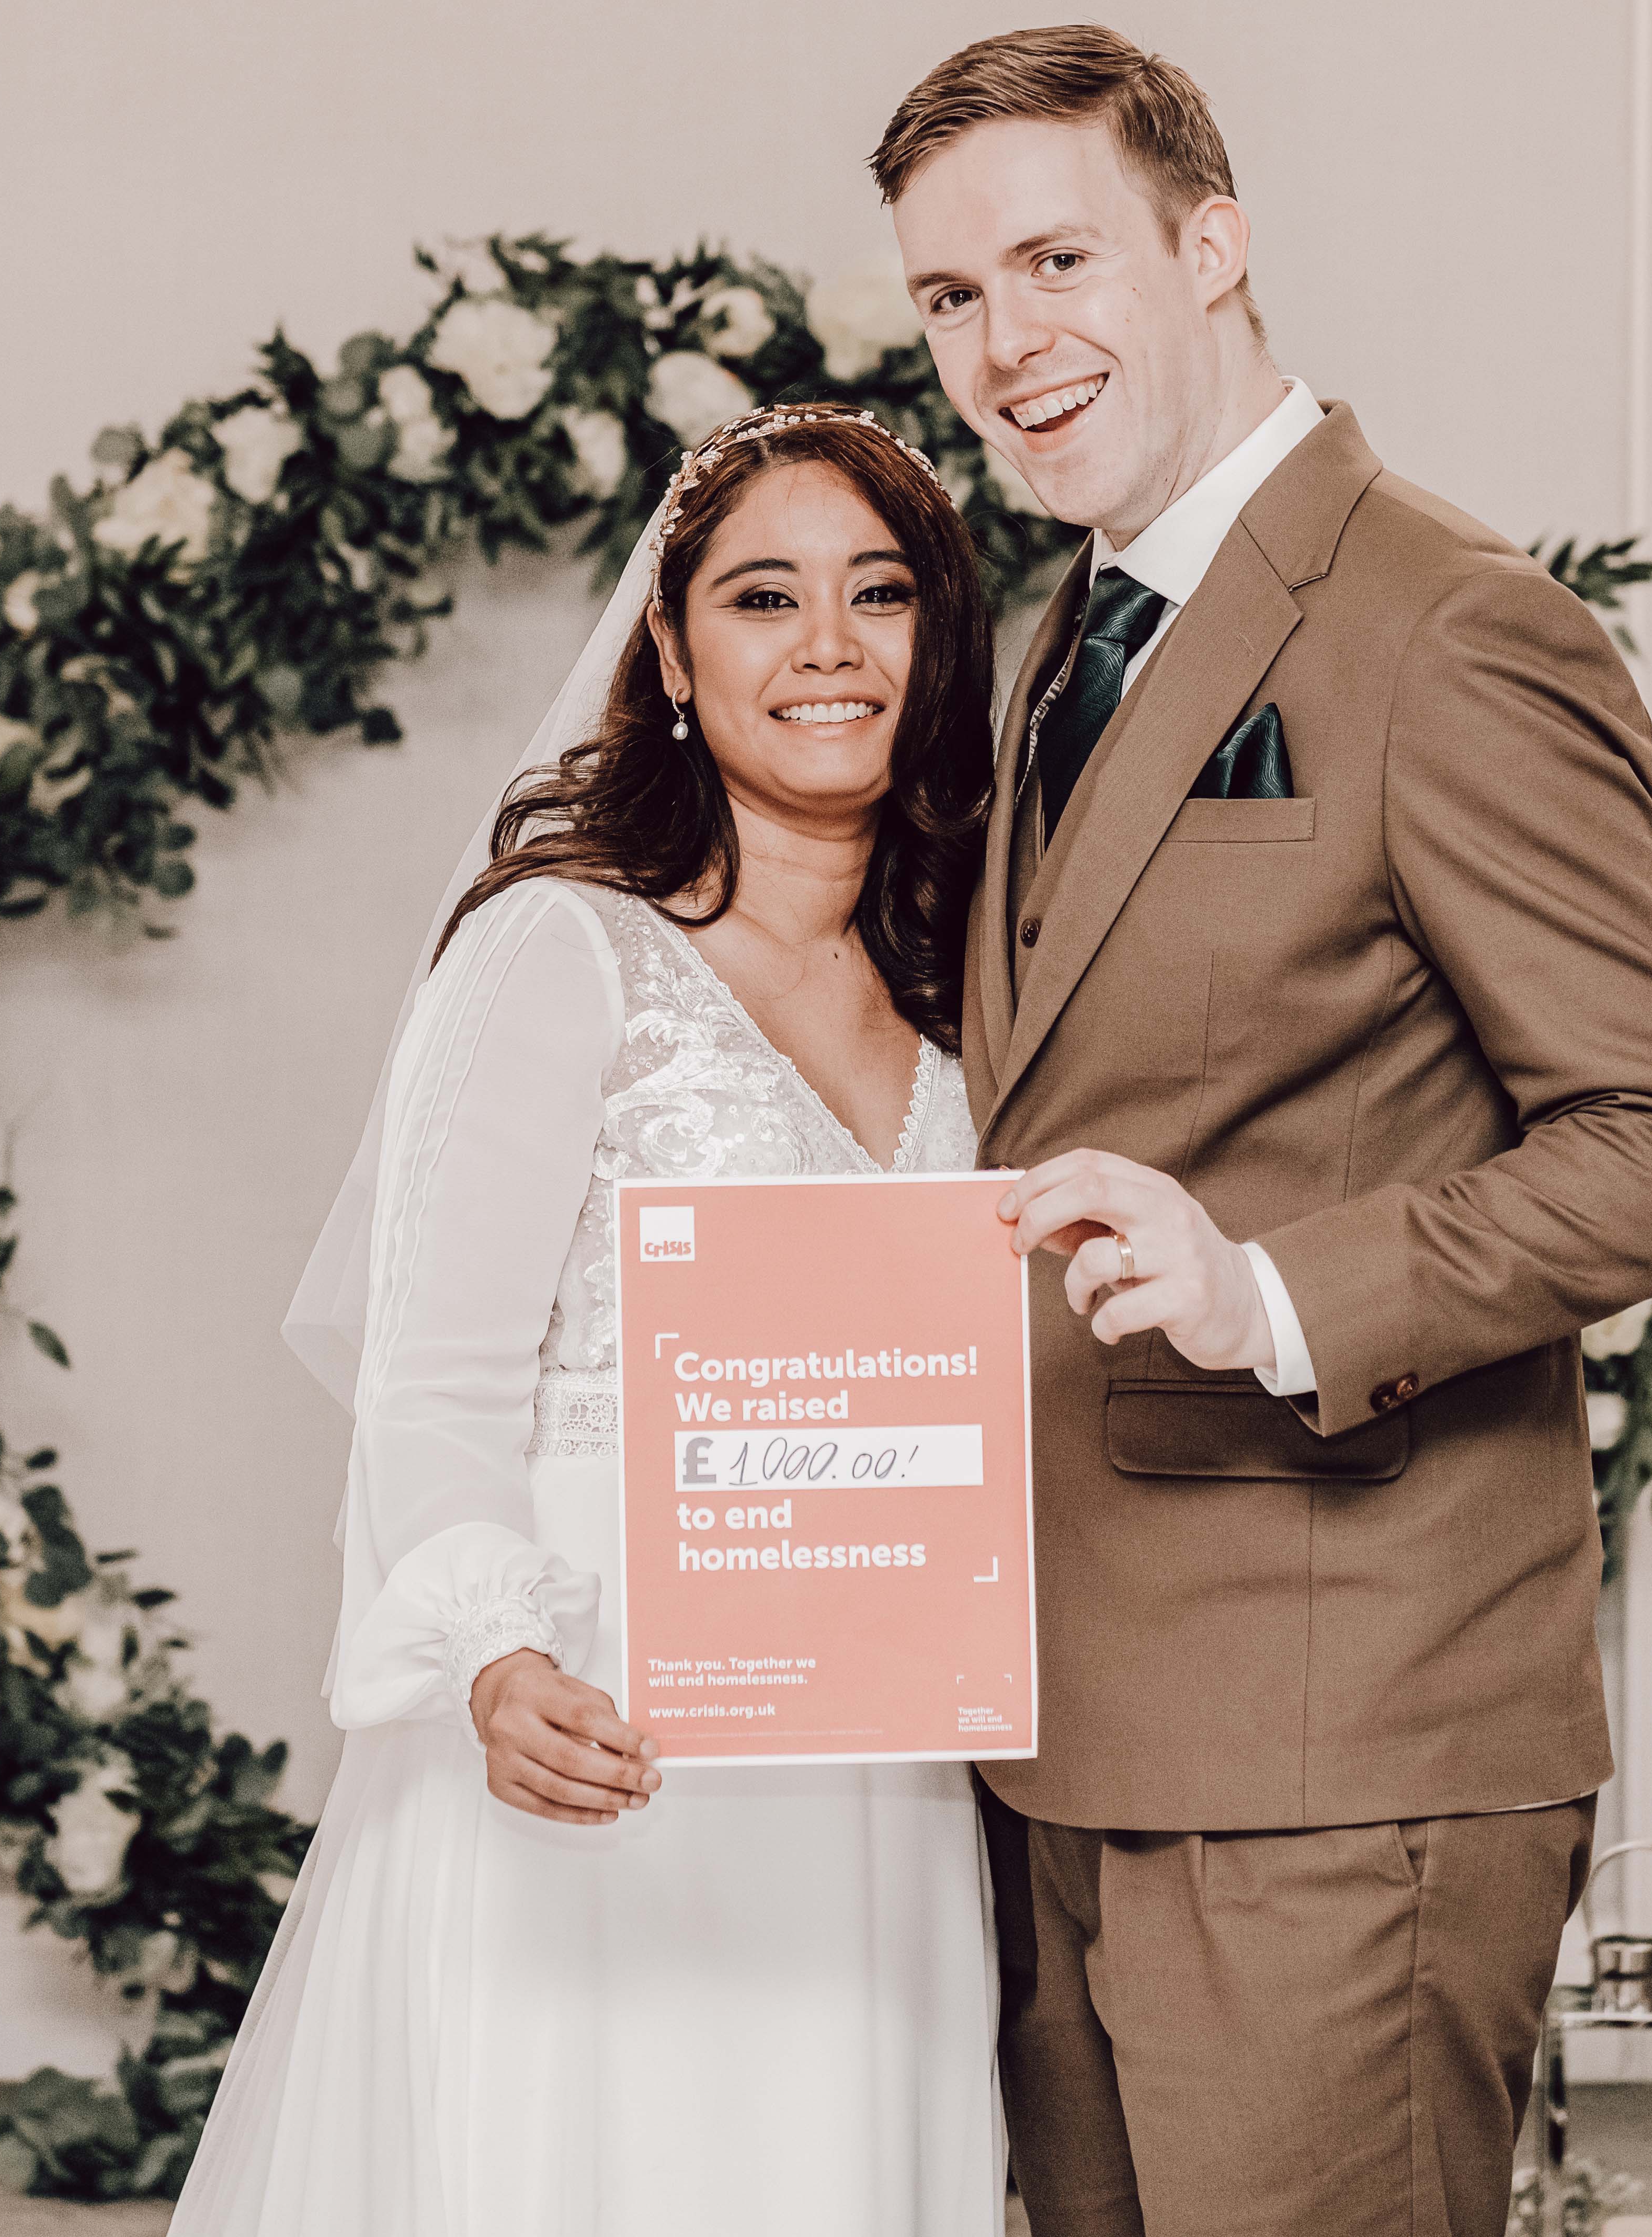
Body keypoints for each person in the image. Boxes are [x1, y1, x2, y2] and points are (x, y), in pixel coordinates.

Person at [875, 24, 1652, 2237]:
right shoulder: (1044, 634)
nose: (1005, 344)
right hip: (1065, 1721)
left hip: (1340, 1748)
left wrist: (1275, 1285)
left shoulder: (1451, 626)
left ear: (1214, 240)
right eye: (950, 299)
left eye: (1055, 258)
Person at [174, 405, 1006, 2236]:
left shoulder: (976, 989)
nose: (830, 650)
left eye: (882, 597)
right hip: (602, 1718)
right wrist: (495, 1661)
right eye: (765, 598)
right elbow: (432, 1370)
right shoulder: (560, 951)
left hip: (877, 1749)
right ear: (673, 650)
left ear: (940, 647)